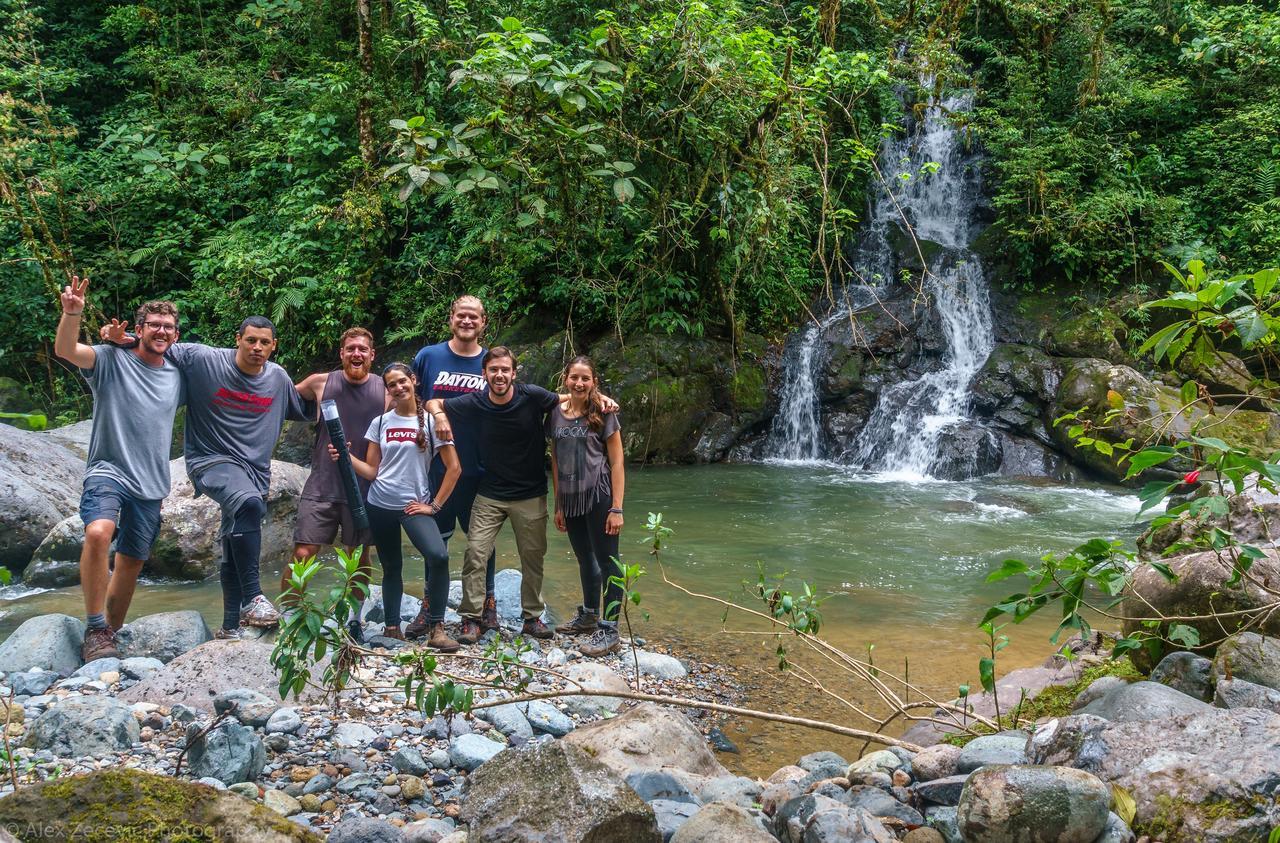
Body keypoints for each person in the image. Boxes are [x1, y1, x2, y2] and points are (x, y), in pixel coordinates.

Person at [104, 315, 309, 639]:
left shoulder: (278, 378)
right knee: (250, 505)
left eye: (264, 342)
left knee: (234, 537)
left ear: (274, 346)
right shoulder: (204, 359)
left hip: (254, 470)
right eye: (251, 340)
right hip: (210, 461)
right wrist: (122, 338)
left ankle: (229, 626)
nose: (257, 347)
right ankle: (253, 598)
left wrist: (322, 390)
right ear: (238, 338)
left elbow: (303, 409)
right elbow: (159, 345)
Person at [55, 276, 184, 661]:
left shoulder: (178, 374)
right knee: (98, 532)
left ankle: (110, 633)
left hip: (151, 481)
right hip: (108, 470)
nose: (161, 331)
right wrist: (72, 313)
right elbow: (65, 349)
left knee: (131, 559)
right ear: (139, 329)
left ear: (175, 335)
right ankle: (95, 626)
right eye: (153, 325)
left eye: (168, 327)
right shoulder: (110, 359)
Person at [426, 347, 561, 643]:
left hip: (530, 493)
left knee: (533, 557)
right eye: (493, 370)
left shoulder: (533, 396)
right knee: (476, 552)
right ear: (484, 373)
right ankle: (471, 619)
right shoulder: (475, 401)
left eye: (504, 370)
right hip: (490, 493)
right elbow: (433, 401)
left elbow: (567, 401)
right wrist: (439, 416)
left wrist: (598, 399)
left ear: (514, 373)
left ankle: (532, 618)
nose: (499, 375)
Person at [341, 363, 460, 650]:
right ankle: (392, 626)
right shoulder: (380, 423)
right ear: (388, 389)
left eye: (402, 381)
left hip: (412, 506)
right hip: (379, 504)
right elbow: (372, 471)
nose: (398, 387)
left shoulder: (433, 423)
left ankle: (436, 627)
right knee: (392, 566)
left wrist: (433, 506)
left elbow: (454, 468)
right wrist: (345, 457)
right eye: (392, 384)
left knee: (439, 556)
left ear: (414, 380)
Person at [287, 327, 387, 641]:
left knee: (358, 555)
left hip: (365, 486)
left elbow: (409, 424)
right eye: (350, 349)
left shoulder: (385, 389)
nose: (356, 354)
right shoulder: (320, 382)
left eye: (362, 349)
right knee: (303, 551)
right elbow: (280, 395)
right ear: (341, 353)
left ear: (372, 355)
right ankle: (289, 615)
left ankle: (354, 620)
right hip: (322, 483)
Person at [411, 295, 500, 632]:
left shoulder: (491, 361)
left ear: (483, 322)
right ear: (451, 319)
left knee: (482, 542)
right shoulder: (429, 356)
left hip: (480, 466)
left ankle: (484, 605)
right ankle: (430, 607)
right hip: (435, 467)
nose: (467, 321)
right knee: (438, 540)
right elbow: (409, 398)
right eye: (461, 315)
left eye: (473, 317)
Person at [548, 356, 626, 657]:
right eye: (574, 377)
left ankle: (610, 629)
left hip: (599, 496)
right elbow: (554, 459)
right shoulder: (555, 413)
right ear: (565, 379)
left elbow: (618, 463)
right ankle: (589, 616)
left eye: (586, 378)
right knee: (584, 558)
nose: (579, 383)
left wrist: (616, 508)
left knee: (609, 563)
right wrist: (558, 504)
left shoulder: (604, 413)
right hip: (570, 498)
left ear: (594, 382)